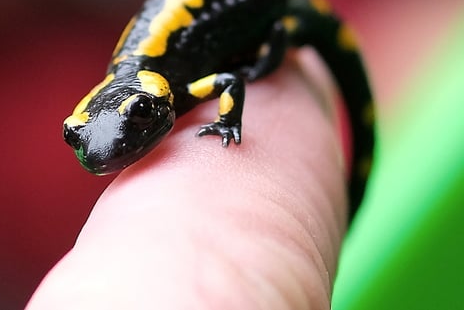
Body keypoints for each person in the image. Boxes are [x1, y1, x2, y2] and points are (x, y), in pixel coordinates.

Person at [28, 51, 348, 309]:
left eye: (139, 113)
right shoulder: (163, 85)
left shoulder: (175, 85)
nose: (102, 149)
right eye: (74, 135)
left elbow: (230, 82)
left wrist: (228, 122)